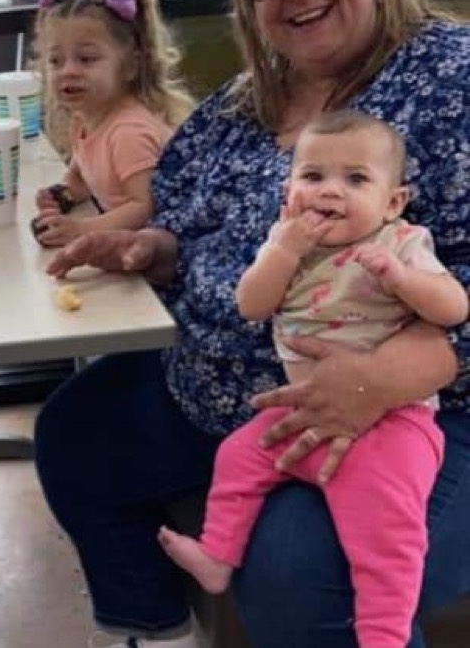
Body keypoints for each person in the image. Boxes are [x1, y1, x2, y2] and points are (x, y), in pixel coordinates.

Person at [33, 0, 470, 648]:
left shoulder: (451, 77)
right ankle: (157, 626)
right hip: (227, 395)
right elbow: (186, 223)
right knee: (75, 434)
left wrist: (383, 376)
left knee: (300, 579)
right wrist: (149, 249)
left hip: (412, 415)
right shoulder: (246, 101)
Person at [158, 110, 467, 647]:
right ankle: (217, 556)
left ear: (393, 202)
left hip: (393, 422)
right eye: (313, 176)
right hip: (302, 412)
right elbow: (252, 305)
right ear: (288, 193)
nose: (330, 191)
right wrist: (283, 251)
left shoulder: (401, 243)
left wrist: (402, 279)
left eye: (356, 179)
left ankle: (384, 634)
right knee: (238, 456)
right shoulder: (287, 245)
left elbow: (454, 307)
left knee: (382, 535)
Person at [31, 0, 193, 248]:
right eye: (56, 61)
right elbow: (81, 180)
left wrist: (81, 230)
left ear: (131, 65)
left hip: (169, 253)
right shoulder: (85, 119)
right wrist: (61, 196)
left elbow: (145, 207)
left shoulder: (128, 132)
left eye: (86, 59)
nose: (68, 71)